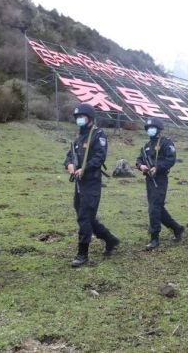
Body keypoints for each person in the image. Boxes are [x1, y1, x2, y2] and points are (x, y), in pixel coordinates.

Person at [63, 103, 120, 267]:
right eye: (77, 117)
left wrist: (84, 169)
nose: (79, 120)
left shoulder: (98, 135)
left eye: (82, 117)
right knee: (85, 216)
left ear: (90, 118)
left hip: (91, 182)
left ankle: (82, 254)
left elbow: (99, 157)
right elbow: (69, 156)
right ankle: (110, 239)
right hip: (79, 184)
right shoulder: (78, 137)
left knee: (84, 217)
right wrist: (70, 166)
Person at [136, 118, 185, 250]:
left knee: (154, 208)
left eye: (152, 127)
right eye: (148, 128)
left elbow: (171, 159)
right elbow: (139, 159)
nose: (150, 130)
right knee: (157, 207)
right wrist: (141, 166)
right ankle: (177, 228)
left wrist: (157, 167)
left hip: (160, 179)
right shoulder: (146, 146)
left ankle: (154, 238)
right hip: (149, 180)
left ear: (158, 129)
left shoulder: (166, 142)